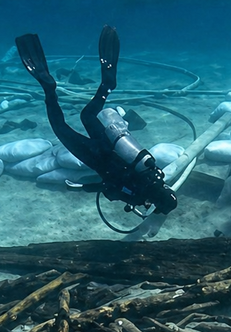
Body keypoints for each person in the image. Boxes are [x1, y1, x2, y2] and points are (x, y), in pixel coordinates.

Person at [14, 26, 177, 224]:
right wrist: (80, 187)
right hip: (97, 156)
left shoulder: (156, 175)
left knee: (88, 115)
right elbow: (106, 189)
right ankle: (48, 88)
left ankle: (106, 86)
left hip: (110, 143)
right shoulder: (136, 195)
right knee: (60, 127)